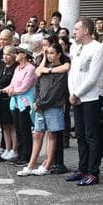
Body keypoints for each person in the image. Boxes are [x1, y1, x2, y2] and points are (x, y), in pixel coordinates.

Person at [18, 43, 68, 177]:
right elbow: (37, 84)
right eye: (48, 53)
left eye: (52, 53)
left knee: (52, 134)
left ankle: (48, 164)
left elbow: (56, 91)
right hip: (40, 106)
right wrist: (36, 101)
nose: (50, 56)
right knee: (38, 133)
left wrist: (41, 103)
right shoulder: (43, 68)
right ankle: (31, 164)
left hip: (53, 107)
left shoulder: (61, 71)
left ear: (59, 54)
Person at [67, 18, 103, 186]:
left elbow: (93, 77)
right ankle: (82, 169)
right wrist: (72, 93)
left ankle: (93, 172)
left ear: (86, 30)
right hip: (76, 97)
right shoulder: (75, 47)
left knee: (91, 136)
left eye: (76, 29)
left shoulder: (98, 48)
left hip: (90, 98)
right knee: (80, 135)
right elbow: (72, 72)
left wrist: (77, 93)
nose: (73, 32)